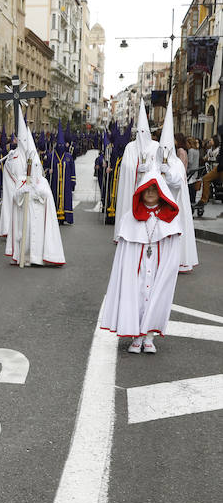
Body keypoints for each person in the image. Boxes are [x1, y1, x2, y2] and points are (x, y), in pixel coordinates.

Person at [101, 167, 182, 354]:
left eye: (155, 189)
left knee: (156, 296)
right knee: (136, 296)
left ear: (161, 192)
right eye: (147, 189)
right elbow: (124, 250)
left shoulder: (170, 217)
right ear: (140, 192)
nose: (151, 193)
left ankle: (149, 337)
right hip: (137, 266)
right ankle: (136, 335)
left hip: (158, 266)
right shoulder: (130, 218)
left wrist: (168, 268)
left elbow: (173, 247)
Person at [4, 107, 65, 266]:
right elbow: (15, 198)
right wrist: (23, 190)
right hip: (25, 215)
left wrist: (36, 190)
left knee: (36, 238)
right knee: (24, 236)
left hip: (38, 216)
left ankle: (37, 258)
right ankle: (22, 257)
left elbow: (46, 196)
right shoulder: (22, 180)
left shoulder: (42, 181)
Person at [155, 101, 199, 272]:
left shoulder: (177, 163)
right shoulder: (155, 161)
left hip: (175, 204)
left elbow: (177, 182)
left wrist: (168, 174)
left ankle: (177, 260)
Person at [114, 102, 157, 242]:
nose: (141, 136)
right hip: (133, 187)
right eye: (138, 133)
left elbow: (160, 165)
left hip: (149, 188)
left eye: (143, 133)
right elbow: (126, 166)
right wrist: (136, 170)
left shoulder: (155, 147)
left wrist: (149, 169)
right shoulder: (130, 148)